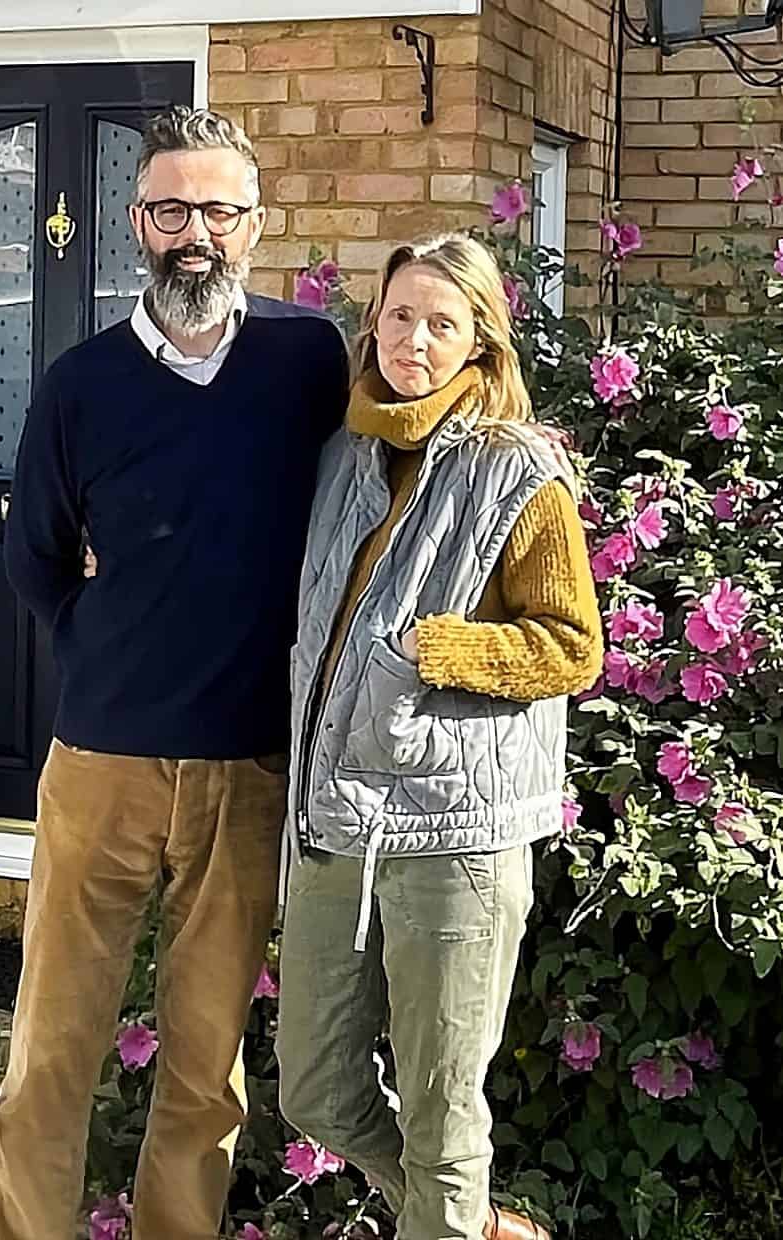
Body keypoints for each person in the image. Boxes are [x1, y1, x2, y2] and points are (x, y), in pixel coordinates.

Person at [0, 106, 348, 1240]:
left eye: (219, 211)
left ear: (256, 223)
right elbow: (36, 558)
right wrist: (107, 651)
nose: (197, 233)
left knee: (205, 1066)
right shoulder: (80, 383)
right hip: (102, 762)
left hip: (246, 766)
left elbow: (374, 486)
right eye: (172, 209)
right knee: (52, 1049)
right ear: (137, 221)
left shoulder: (308, 361)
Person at [276, 234, 604, 1240]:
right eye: (400, 314)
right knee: (316, 1091)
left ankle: (451, 1218)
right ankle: (470, 1225)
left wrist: (446, 647)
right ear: (373, 322)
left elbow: (572, 647)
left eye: (441, 323)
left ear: (480, 345)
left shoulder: (517, 473)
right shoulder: (345, 454)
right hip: (339, 820)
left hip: (455, 838)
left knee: (443, 1113)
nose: (413, 340)